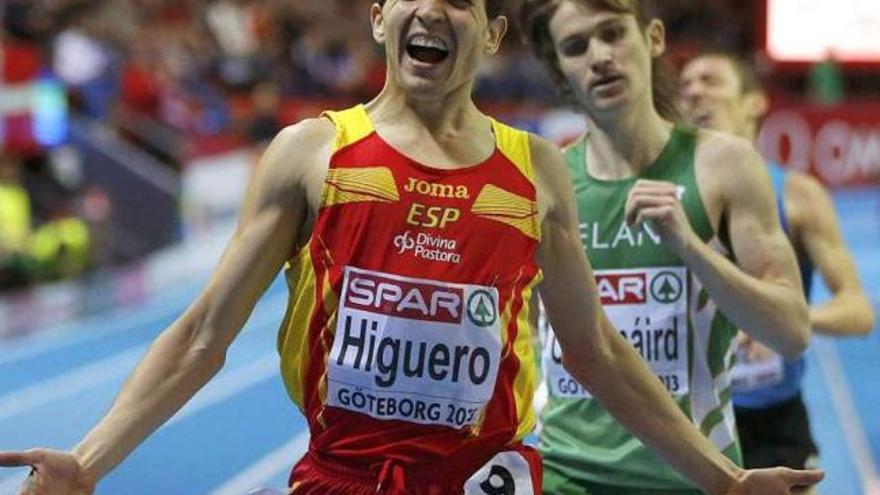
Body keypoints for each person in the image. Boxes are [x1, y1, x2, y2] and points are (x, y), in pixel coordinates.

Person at [0, 1, 823, 494]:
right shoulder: (310, 152)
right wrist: (89, 460)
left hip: (483, 478)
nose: (434, 9)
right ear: (380, 17)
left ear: (492, 33)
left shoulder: (534, 168)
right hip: (340, 477)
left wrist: (720, 476)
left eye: (460, 1)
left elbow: (597, 348)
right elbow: (204, 333)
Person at [519, 0, 821, 493]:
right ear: (559, 69)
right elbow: (526, 331)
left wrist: (690, 247)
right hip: (565, 476)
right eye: (575, 47)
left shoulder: (723, 166)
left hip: (695, 477)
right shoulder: (546, 181)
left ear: (653, 38)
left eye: (613, 33)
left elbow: (790, 332)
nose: (599, 56)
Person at [680, 50, 875, 475]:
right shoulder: (665, 195)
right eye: (685, 86)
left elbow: (858, 313)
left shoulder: (798, 196)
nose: (694, 92)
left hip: (775, 422)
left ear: (755, 102)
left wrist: (778, 318)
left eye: (710, 79)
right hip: (689, 422)